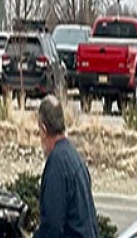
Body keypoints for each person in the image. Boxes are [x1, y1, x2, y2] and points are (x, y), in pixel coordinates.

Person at [35, 94, 100, 238]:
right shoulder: (75, 158)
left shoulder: (56, 167)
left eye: (39, 131)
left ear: (44, 129)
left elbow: (52, 228)